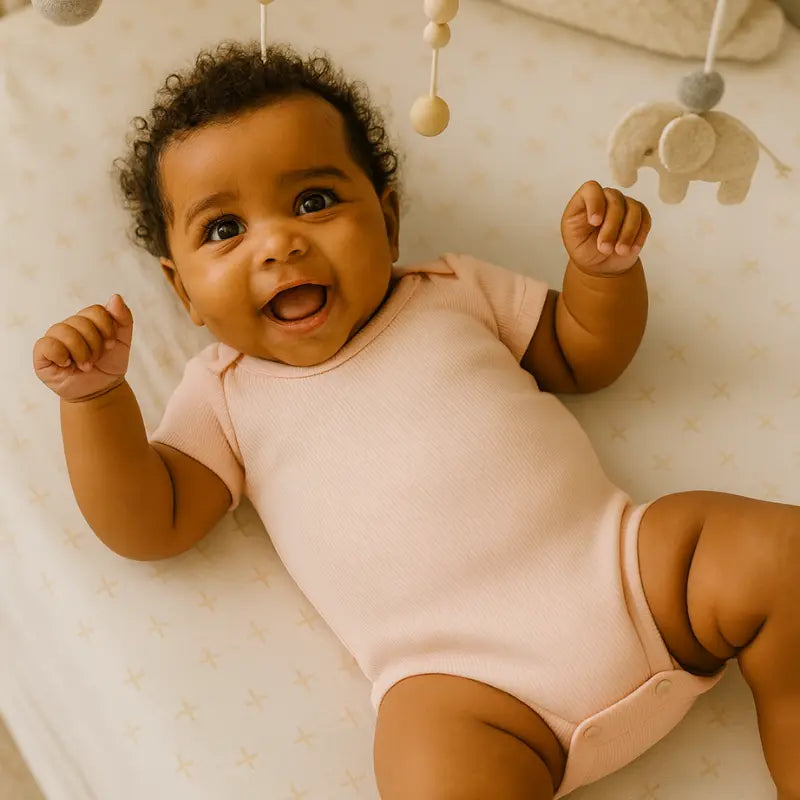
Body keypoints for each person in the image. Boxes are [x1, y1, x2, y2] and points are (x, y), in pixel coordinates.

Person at [32, 42, 799, 800]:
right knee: (424, 761)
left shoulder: (451, 289)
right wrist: (96, 402)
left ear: (389, 220)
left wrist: (601, 276)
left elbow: (583, 355)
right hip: (469, 691)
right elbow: (150, 523)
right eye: (224, 229)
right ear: (184, 293)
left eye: (314, 201)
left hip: (628, 574)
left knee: (781, 554)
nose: (280, 242)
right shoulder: (224, 396)